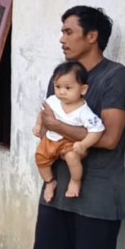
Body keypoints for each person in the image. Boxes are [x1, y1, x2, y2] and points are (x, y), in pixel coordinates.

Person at [32, 6, 125, 249]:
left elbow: (109, 138)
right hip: (55, 197)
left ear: (92, 36)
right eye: (62, 32)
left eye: (69, 32)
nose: (62, 39)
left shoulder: (117, 77)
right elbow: (46, 128)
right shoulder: (61, 77)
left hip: (97, 203)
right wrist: (49, 128)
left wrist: (56, 125)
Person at [33, 61, 105, 203]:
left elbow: (97, 130)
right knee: (40, 158)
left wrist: (84, 144)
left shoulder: (84, 111)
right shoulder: (53, 101)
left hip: (69, 142)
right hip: (50, 140)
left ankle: (75, 181)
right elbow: (42, 113)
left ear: (83, 90)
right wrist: (38, 125)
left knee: (72, 158)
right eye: (58, 86)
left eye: (68, 88)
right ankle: (49, 182)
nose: (61, 92)